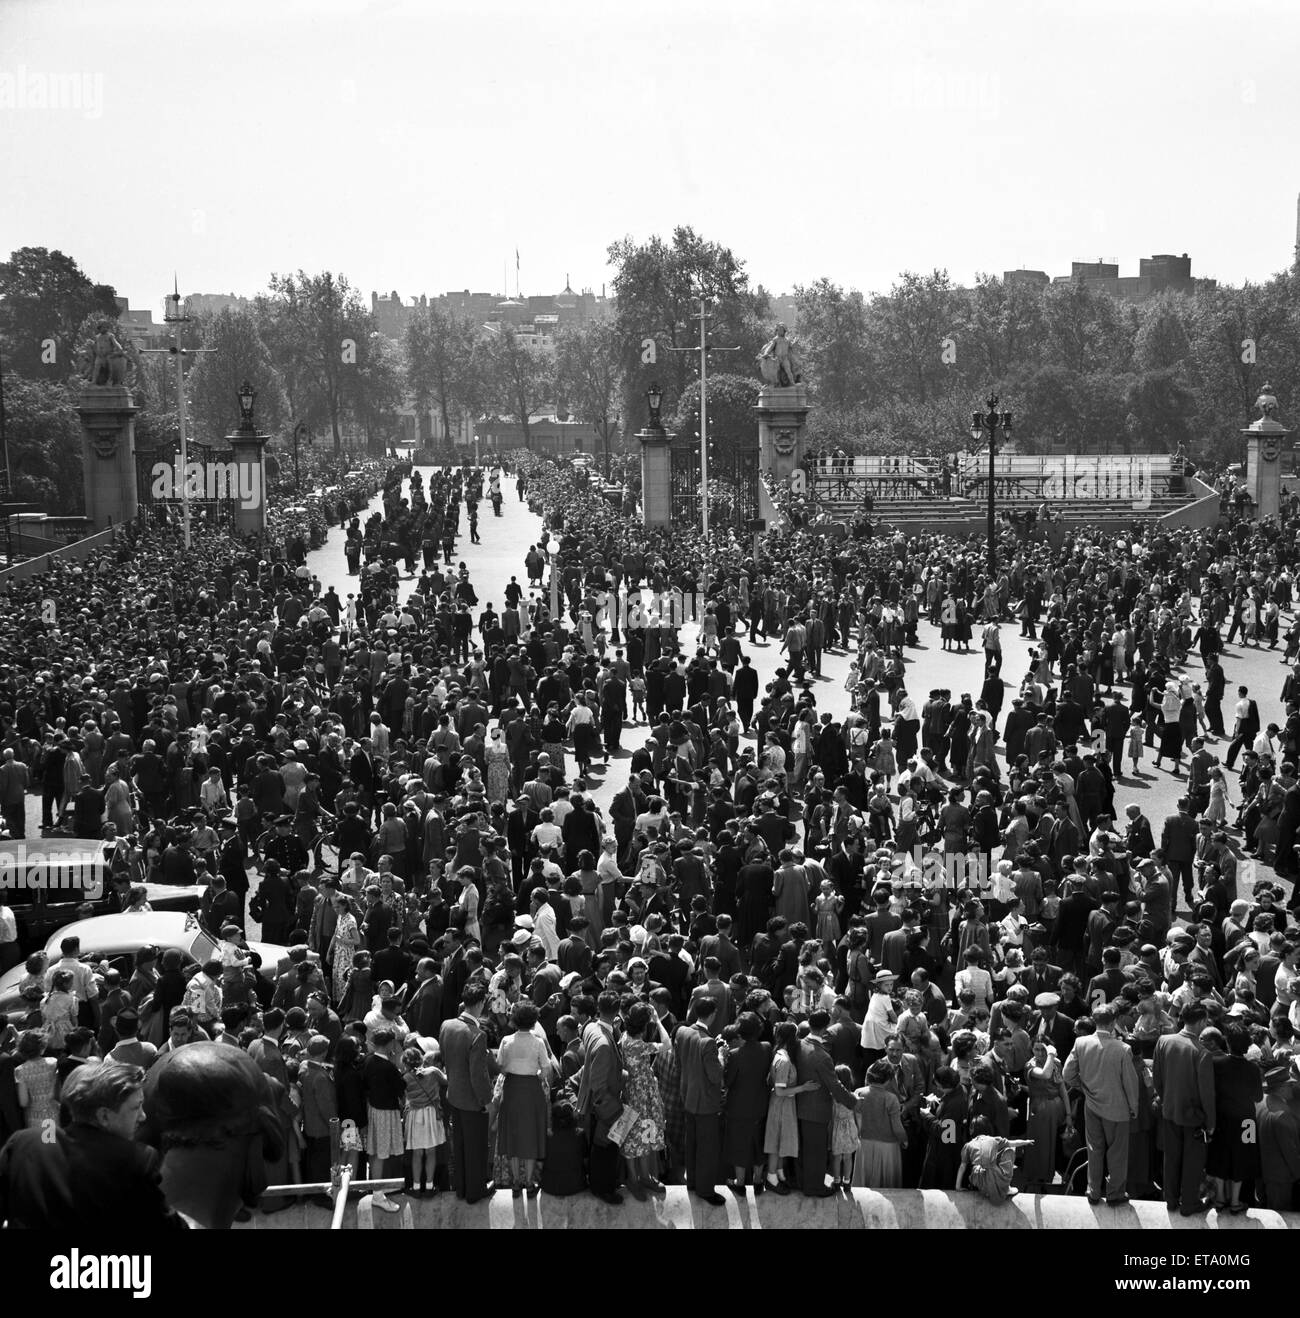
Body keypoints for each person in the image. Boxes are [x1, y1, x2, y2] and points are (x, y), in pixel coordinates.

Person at [0, 1060, 186, 1230]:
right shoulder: (137, 1160)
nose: (143, 1116)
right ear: (104, 1116)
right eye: (136, 1107)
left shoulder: (22, 1142)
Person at [1062, 1004, 1138, 1205]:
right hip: (1117, 1109)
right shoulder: (1123, 1049)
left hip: (1092, 1106)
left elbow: (1067, 1075)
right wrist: (1134, 1107)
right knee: (1117, 1153)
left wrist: (1084, 1088)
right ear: (1113, 1022)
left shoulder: (1081, 1043)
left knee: (1094, 1149)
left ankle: (1093, 1191)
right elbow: (1130, 1084)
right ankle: (1115, 1194)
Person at [1152, 1001, 1217, 1216]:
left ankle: (1170, 1200)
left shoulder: (1163, 1041)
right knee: (1192, 1163)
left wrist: (1167, 1100)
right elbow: (1207, 1095)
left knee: (1170, 1159)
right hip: (1194, 1119)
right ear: (1200, 1022)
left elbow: (1158, 1081)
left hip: (1169, 1112)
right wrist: (1211, 1124)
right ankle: (1189, 1203)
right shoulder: (1202, 1052)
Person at [438, 981, 497, 1204]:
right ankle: (475, 1191)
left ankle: (462, 1188)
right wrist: (488, 1101)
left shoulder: (447, 1025)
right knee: (476, 1147)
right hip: (473, 1101)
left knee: (460, 1145)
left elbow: (445, 1057)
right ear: (481, 1003)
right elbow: (479, 1076)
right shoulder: (477, 1035)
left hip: (454, 1096)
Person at [496, 1000, 556, 1194]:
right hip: (532, 1089)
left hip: (512, 1088)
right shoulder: (538, 1042)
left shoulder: (506, 1041)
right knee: (530, 1136)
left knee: (513, 1135)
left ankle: (515, 1182)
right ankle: (529, 1183)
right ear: (533, 1021)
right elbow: (547, 1070)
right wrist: (535, 1076)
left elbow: (501, 1067)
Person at [677, 996, 725, 1205]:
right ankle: (705, 1190)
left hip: (688, 1097)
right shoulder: (708, 1042)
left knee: (692, 1143)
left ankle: (693, 1183)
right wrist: (721, 1055)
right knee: (707, 1148)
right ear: (713, 1014)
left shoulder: (682, 1032)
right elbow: (715, 1076)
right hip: (705, 1103)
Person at [851, 1058, 907, 1188]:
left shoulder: (859, 1092)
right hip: (888, 1148)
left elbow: (855, 1118)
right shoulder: (891, 1099)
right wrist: (904, 1139)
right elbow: (897, 1127)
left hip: (864, 1143)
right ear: (888, 1080)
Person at [956, 1115, 1034, 1203]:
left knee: (982, 1166)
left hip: (977, 1178)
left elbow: (962, 1167)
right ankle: (1006, 1187)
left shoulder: (968, 1145)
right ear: (988, 1128)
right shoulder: (995, 1140)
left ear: (971, 1131)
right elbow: (1013, 1143)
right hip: (996, 1175)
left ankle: (985, 1190)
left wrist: (957, 1187)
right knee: (1008, 1151)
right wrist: (1026, 1142)